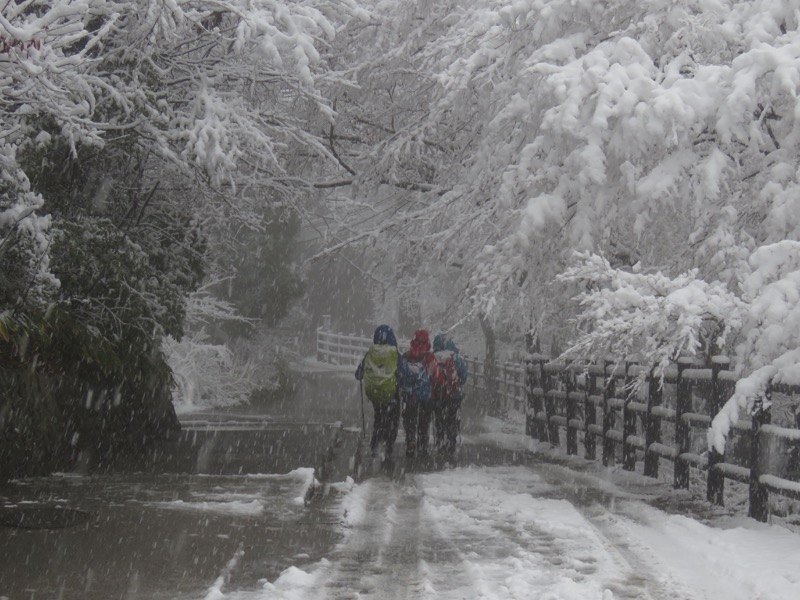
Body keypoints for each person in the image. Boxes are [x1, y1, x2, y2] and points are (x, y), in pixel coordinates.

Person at [355, 324, 405, 460]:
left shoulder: (371, 353)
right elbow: (403, 372)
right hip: (392, 394)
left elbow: (358, 374)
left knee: (379, 418)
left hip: (376, 395)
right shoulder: (395, 354)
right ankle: (389, 447)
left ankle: (375, 444)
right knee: (393, 421)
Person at [401, 329, 440, 458]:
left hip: (410, 394)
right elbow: (436, 376)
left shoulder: (407, 356)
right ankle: (423, 446)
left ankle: (411, 440)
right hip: (426, 395)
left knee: (410, 419)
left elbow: (401, 373)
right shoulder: (430, 357)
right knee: (424, 421)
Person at [431, 333, 468, 461]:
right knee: (452, 417)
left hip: (437, 394)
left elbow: (428, 375)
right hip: (453, 394)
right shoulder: (456, 357)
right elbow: (463, 376)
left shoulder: (433, 357)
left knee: (439, 417)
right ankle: (451, 441)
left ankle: (440, 440)